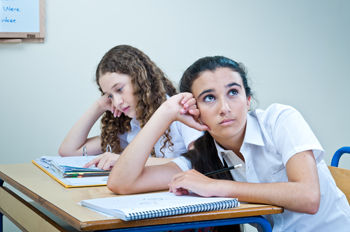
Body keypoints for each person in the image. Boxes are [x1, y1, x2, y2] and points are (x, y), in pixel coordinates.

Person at [107, 56, 350, 232]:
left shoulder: (280, 120)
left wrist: (216, 187)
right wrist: (167, 111)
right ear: (194, 110)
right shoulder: (205, 155)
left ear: (247, 100)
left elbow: (308, 197)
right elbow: (122, 182)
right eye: (209, 98)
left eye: (233, 92)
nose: (225, 108)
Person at [58, 45, 203, 170]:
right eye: (109, 95)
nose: (117, 103)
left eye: (119, 89)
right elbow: (68, 151)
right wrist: (99, 105)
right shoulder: (132, 124)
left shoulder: (181, 109)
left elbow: (199, 162)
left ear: (141, 80)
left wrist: (125, 162)